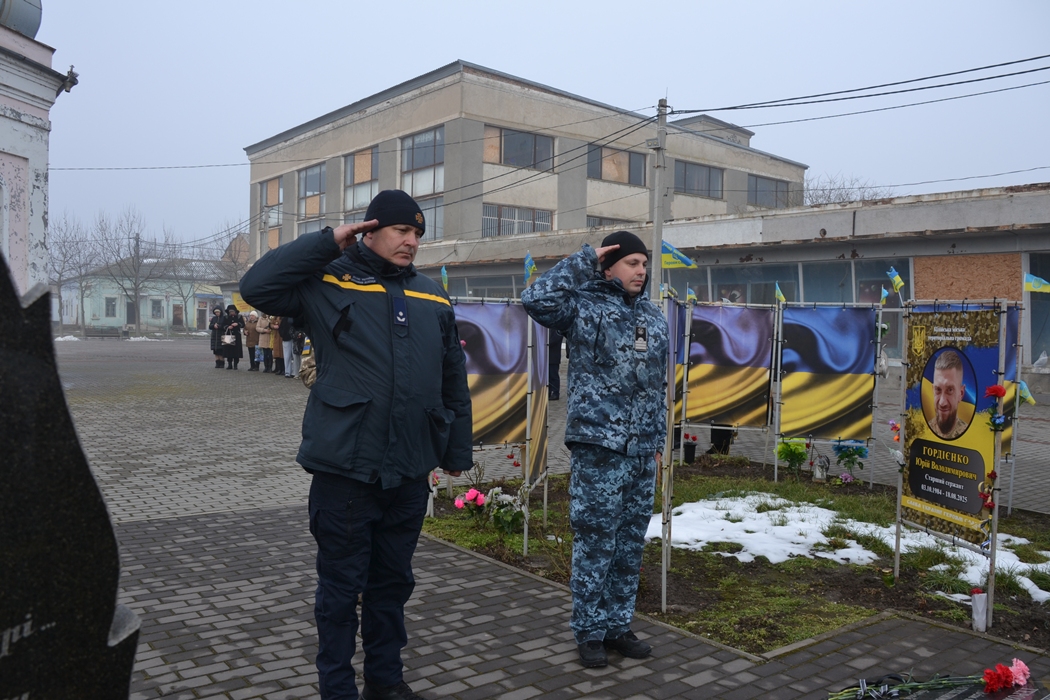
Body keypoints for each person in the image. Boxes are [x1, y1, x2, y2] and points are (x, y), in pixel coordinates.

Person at [240, 189, 472, 700]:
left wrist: (456, 452)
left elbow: (453, 375)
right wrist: (328, 241)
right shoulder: (325, 281)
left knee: (392, 588)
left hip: (409, 472)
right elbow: (256, 285)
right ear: (370, 230)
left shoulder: (432, 294)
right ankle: (338, 688)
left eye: (417, 234)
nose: (411, 241)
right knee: (341, 593)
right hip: (347, 471)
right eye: (401, 231)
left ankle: (386, 682)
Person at [521, 230, 668, 669]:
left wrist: (658, 442)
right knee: (595, 543)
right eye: (631, 263)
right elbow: (535, 299)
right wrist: (583, 260)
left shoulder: (654, 315)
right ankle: (588, 631)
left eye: (644, 264)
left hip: (642, 452)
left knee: (629, 544)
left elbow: (658, 386)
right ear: (609, 266)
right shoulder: (582, 306)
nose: (641, 271)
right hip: (599, 447)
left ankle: (618, 626)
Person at [931, 349, 968, 439]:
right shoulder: (921, 429)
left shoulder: (970, 435)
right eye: (938, 390)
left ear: (961, 393)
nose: (942, 403)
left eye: (950, 390)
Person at [220, 305, 245, 370]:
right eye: (230, 312)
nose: (232, 313)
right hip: (228, 336)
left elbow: (243, 324)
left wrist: (237, 324)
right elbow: (222, 325)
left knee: (236, 351)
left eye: (233, 312)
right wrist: (227, 327)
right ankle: (229, 364)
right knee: (229, 351)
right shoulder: (225, 317)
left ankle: (236, 365)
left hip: (237, 336)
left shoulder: (239, 317)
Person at [548, 328, 564, 400]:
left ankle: (555, 392)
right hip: (547, 356)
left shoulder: (557, 330)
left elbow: (554, 340)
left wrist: (545, 344)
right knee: (547, 376)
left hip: (553, 356)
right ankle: (548, 391)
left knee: (553, 375)